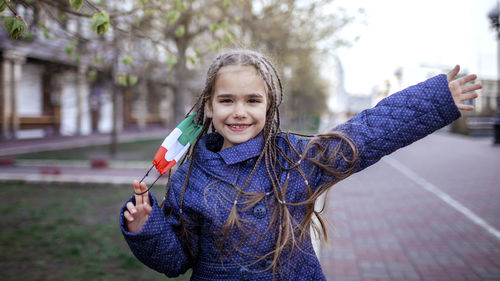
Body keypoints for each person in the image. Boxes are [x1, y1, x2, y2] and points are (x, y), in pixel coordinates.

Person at [120, 49, 481, 280]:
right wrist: (145, 227)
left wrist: (435, 100)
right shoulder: (188, 174)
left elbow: (364, 135)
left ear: (268, 107)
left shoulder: (293, 159)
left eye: (252, 100)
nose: (239, 112)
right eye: (227, 100)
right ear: (209, 107)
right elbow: (176, 261)